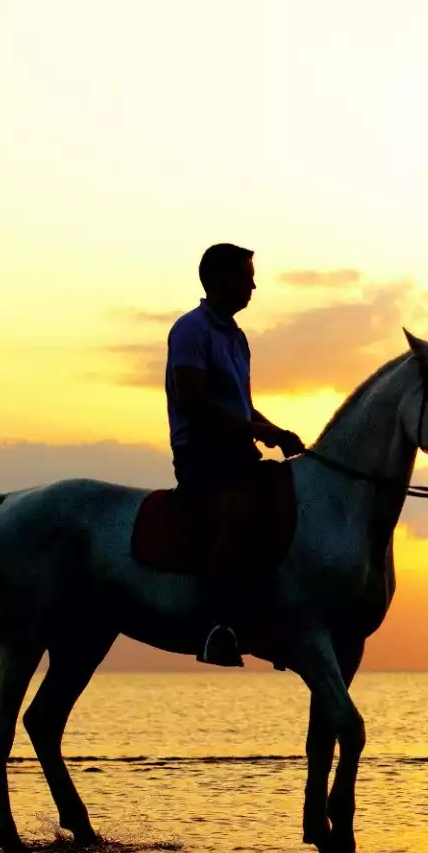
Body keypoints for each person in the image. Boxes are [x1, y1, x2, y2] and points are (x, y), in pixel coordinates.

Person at [166, 243, 306, 665]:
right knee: (237, 514)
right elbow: (192, 399)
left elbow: (241, 406)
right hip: (202, 454)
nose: (253, 286)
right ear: (220, 279)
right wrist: (258, 430)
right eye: (247, 277)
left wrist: (274, 431)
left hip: (237, 452)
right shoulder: (191, 330)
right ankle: (215, 625)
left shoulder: (238, 338)